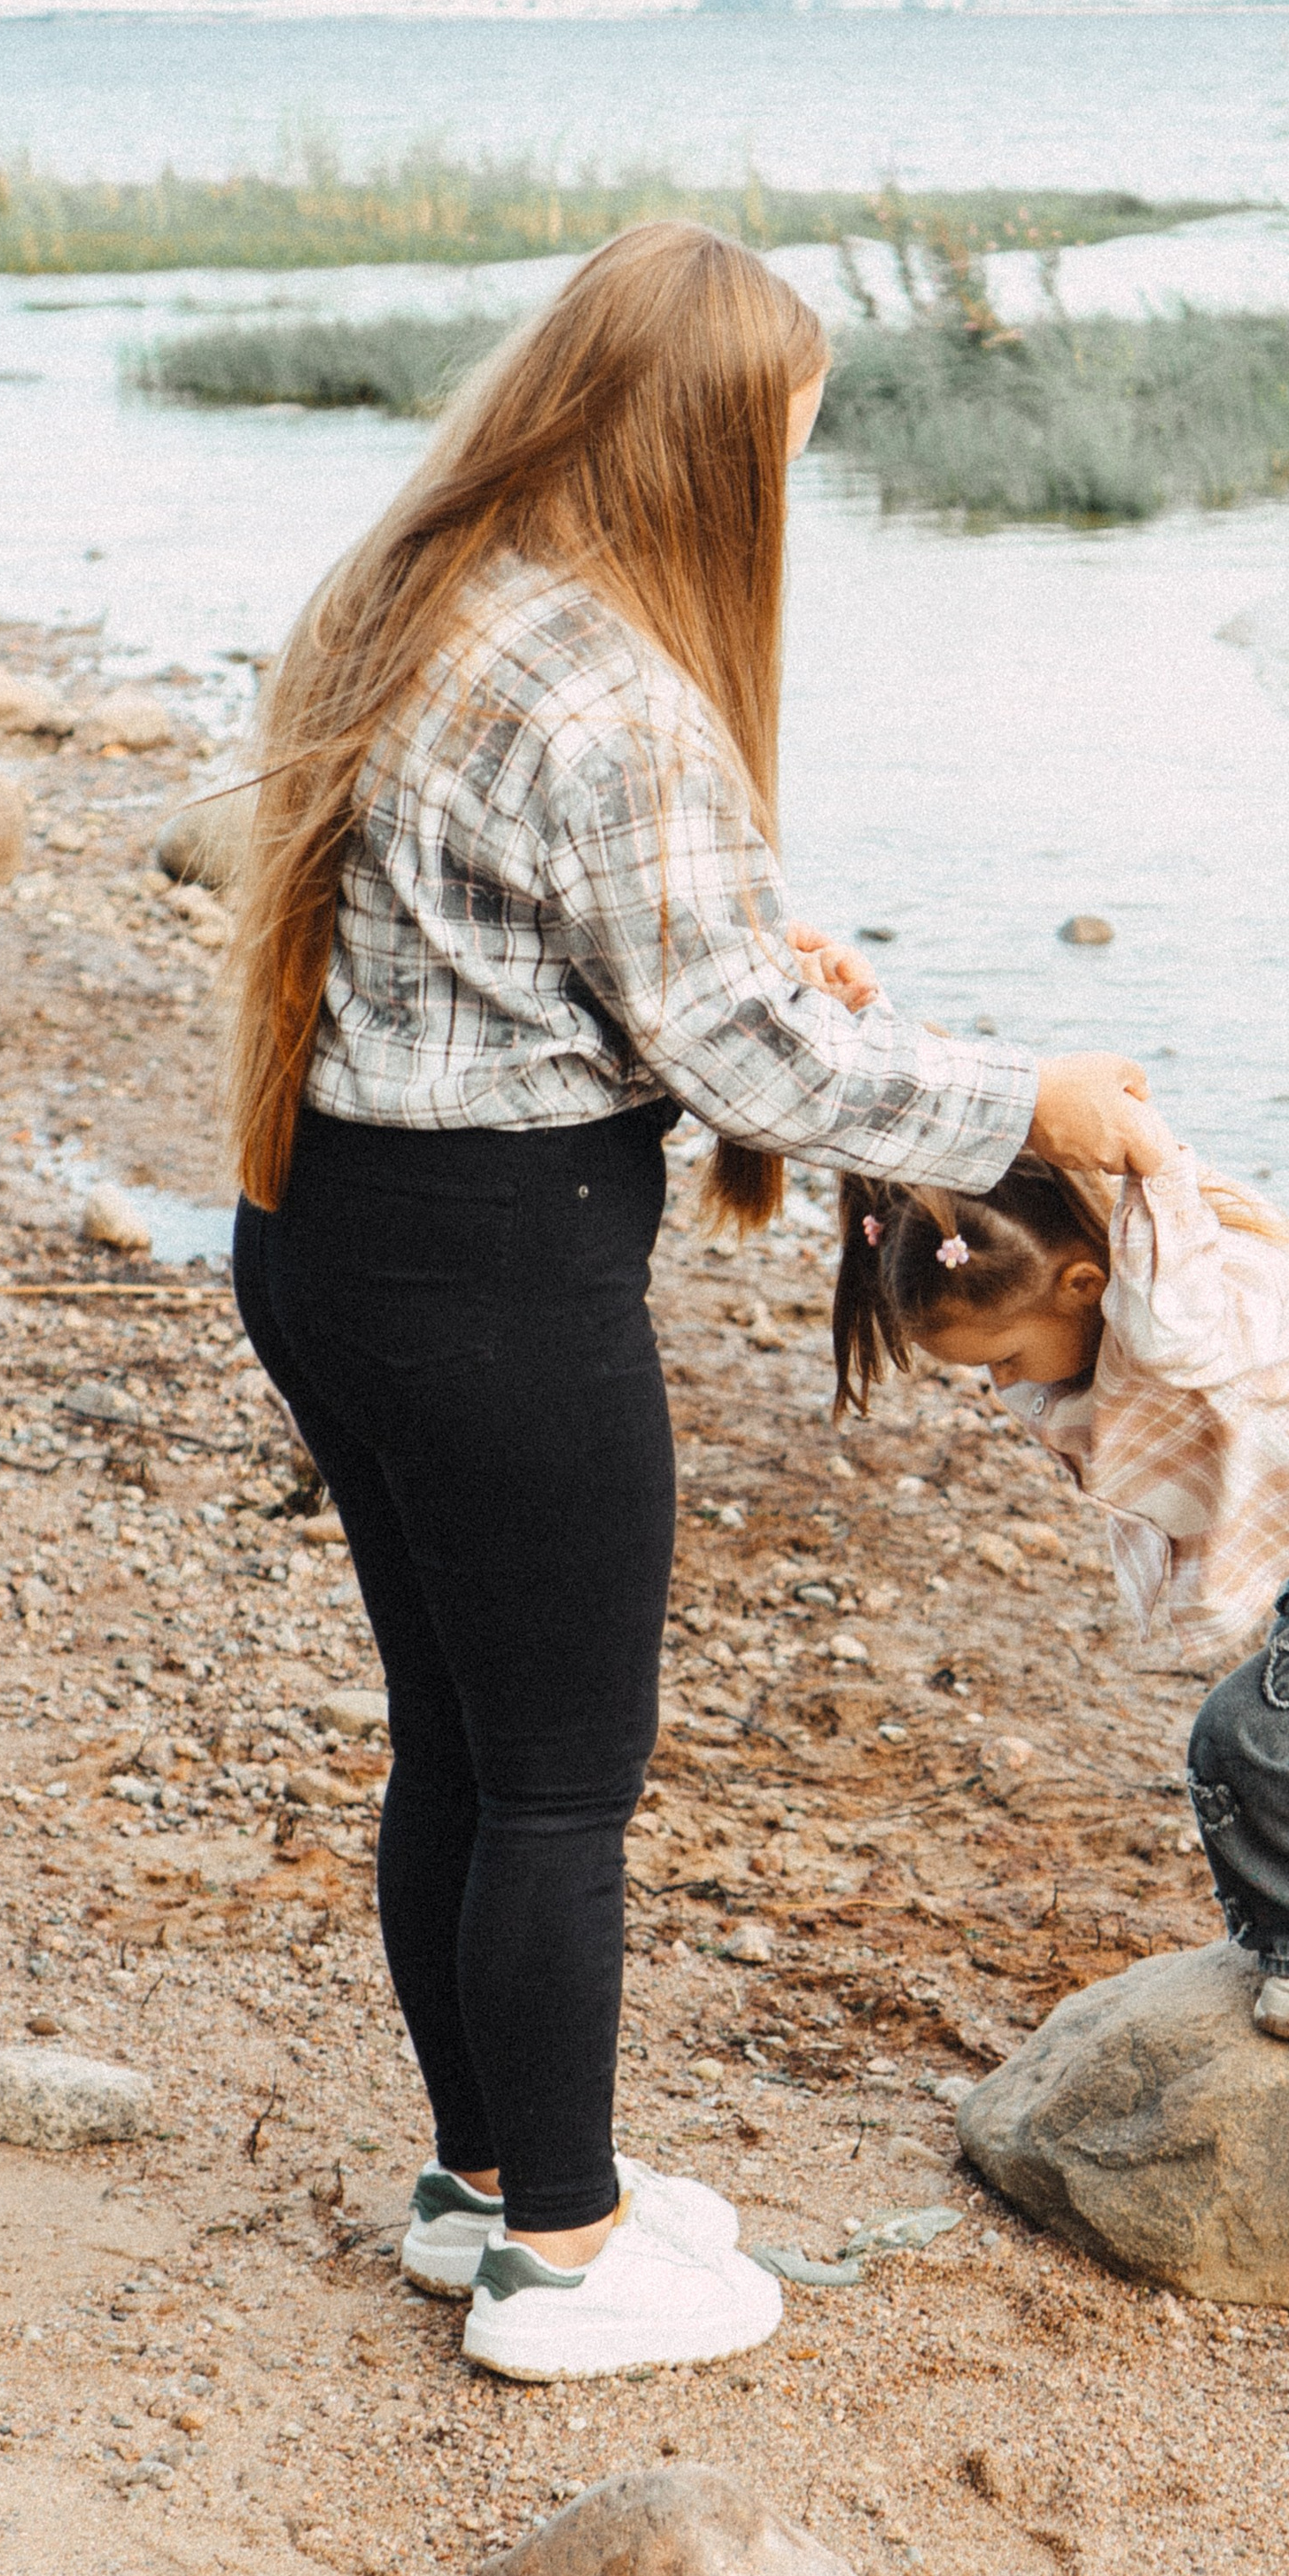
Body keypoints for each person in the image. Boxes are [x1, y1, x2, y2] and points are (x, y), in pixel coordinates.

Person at [223, 222, 1155, 2383]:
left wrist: (739, 964)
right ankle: (563, 2251)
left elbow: (489, 946)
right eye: (779, 456)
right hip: (493, 1271)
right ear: (694, 452)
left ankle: (485, 2185)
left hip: (328, 1231)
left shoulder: (407, 587)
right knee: (558, 1775)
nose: (782, 499)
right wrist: (1035, 1098)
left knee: (459, 1740)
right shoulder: (620, 687)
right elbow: (753, 1058)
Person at [834, 1128, 1289, 2045]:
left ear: (1086, 1285)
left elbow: (1150, 1219)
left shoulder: (1180, 1308)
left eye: (1005, 1357)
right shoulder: (1078, 1338)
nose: (998, 1384)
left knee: (1258, 1740)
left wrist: (1134, 1143)